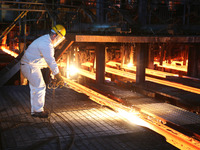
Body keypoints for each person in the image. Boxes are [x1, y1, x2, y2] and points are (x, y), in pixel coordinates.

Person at [20, 24, 66, 118]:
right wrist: (58, 75)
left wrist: (54, 73)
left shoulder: (45, 39)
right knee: (40, 86)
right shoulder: (46, 44)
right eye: (59, 38)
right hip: (30, 66)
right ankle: (38, 111)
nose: (58, 41)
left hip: (30, 65)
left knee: (35, 88)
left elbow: (46, 61)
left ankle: (35, 111)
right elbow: (50, 60)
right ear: (55, 35)